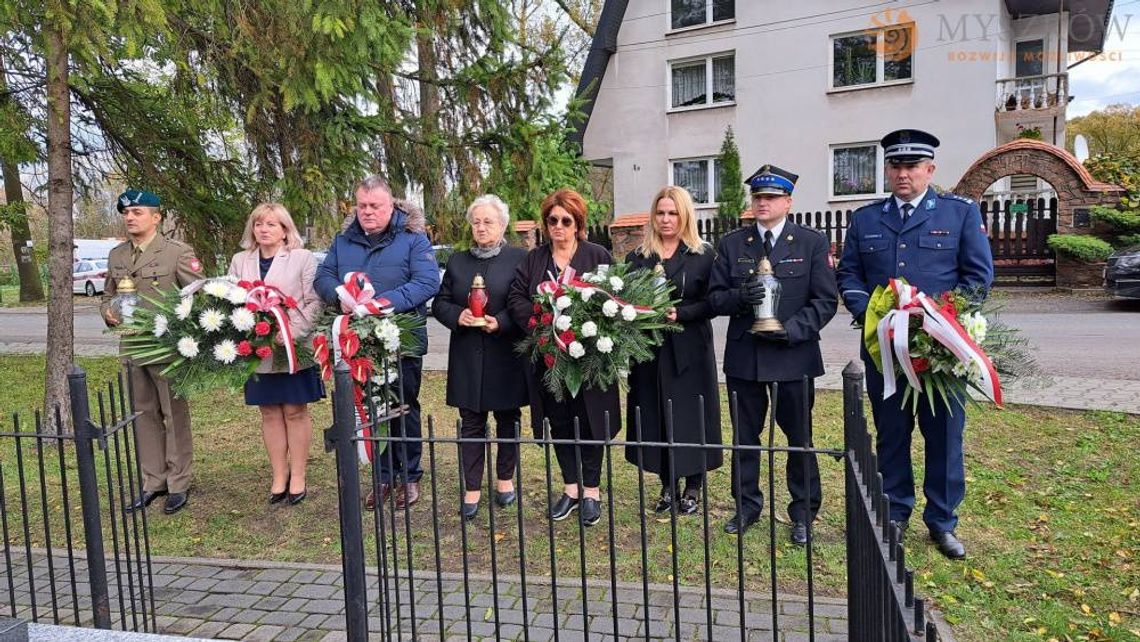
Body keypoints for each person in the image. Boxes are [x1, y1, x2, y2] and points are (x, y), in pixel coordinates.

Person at [836, 130, 994, 560]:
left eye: (912, 166)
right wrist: (870, 311)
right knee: (892, 433)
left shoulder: (958, 213)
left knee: (944, 437)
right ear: (887, 169)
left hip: (941, 353)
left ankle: (943, 522)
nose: (903, 173)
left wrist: (942, 323)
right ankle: (896, 511)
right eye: (896, 166)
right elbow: (848, 275)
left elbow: (977, 279)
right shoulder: (866, 219)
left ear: (930, 169)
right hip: (885, 350)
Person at [707, 165, 837, 543]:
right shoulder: (733, 244)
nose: (763, 203)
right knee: (745, 438)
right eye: (758, 197)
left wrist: (790, 331)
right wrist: (738, 297)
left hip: (793, 356)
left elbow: (825, 300)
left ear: (788, 202)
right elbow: (715, 299)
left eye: (771, 197)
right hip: (745, 357)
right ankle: (747, 507)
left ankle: (803, 512)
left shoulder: (811, 242)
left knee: (799, 438)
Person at [314, 176, 438, 511]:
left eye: (375, 206)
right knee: (369, 407)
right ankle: (383, 476)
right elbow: (323, 277)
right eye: (362, 206)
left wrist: (381, 304)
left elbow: (427, 282)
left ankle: (409, 475)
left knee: (403, 405)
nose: (367, 212)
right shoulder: (344, 241)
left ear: (391, 205)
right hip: (357, 341)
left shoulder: (414, 239)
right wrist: (337, 294)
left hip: (402, 337)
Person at [508, 188, 620, 527]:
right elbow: (516, 298)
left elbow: (614, 299)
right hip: (549, 359)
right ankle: (571, 490)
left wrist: (588, 325)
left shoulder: (597, 255)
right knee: (559, 423)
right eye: (552, 220)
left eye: (565, 221)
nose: (558, 226)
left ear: (578, 224)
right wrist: (543, 321)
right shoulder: (534, 260)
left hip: (589, 360)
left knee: (589, 425)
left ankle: (591, 493)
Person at [101, 189, 203, 515]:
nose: (130, 217)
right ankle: (153, 481)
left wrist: (180, 329)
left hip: (167, 348)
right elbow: (108, 295)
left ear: (156, 217)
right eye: (127, 212)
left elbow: (197, 295)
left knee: (174, 416)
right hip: (132, 346)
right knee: (143, 415)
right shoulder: (117, 256)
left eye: (138, 212)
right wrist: (108, 312)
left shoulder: (176, 253)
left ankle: (178, 482)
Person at [624, 186, 721, 515]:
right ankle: (668, 484)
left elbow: (714, 302)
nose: (666, 219)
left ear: (685, 216)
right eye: (661, 213)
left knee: (690, 416)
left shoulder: (704, 255)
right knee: (656, 413)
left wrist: (683, 313)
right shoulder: (637, 257)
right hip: (650, 350)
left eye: (673, 213)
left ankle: (693, 485)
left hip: (690, 348)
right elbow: (623, 300)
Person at [432, 195, 529, 521]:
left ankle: (505, 481)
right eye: (476, 222)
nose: (482, 227)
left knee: (507, 420)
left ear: (502, 225)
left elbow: (525, 303)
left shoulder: (519, 258)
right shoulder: (458, 261)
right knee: (471, 422)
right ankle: (472, 487)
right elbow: (440, 303)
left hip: (505, 354)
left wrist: (500, 322)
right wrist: (458, 315)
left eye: (488, 221)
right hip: (468, 356)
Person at [227, 203, 324, 506]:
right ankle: (278, 475)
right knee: (269, 412)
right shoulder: (240, 260)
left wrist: (290, 332)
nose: (264, 229)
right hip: (257, 350)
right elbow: (229, 301)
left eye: (272, 224)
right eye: (259, 224)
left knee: (295, 411)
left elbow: (314, 302)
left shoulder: (302, 258)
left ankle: (298, 475)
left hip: (292, 347)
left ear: (285, 230)